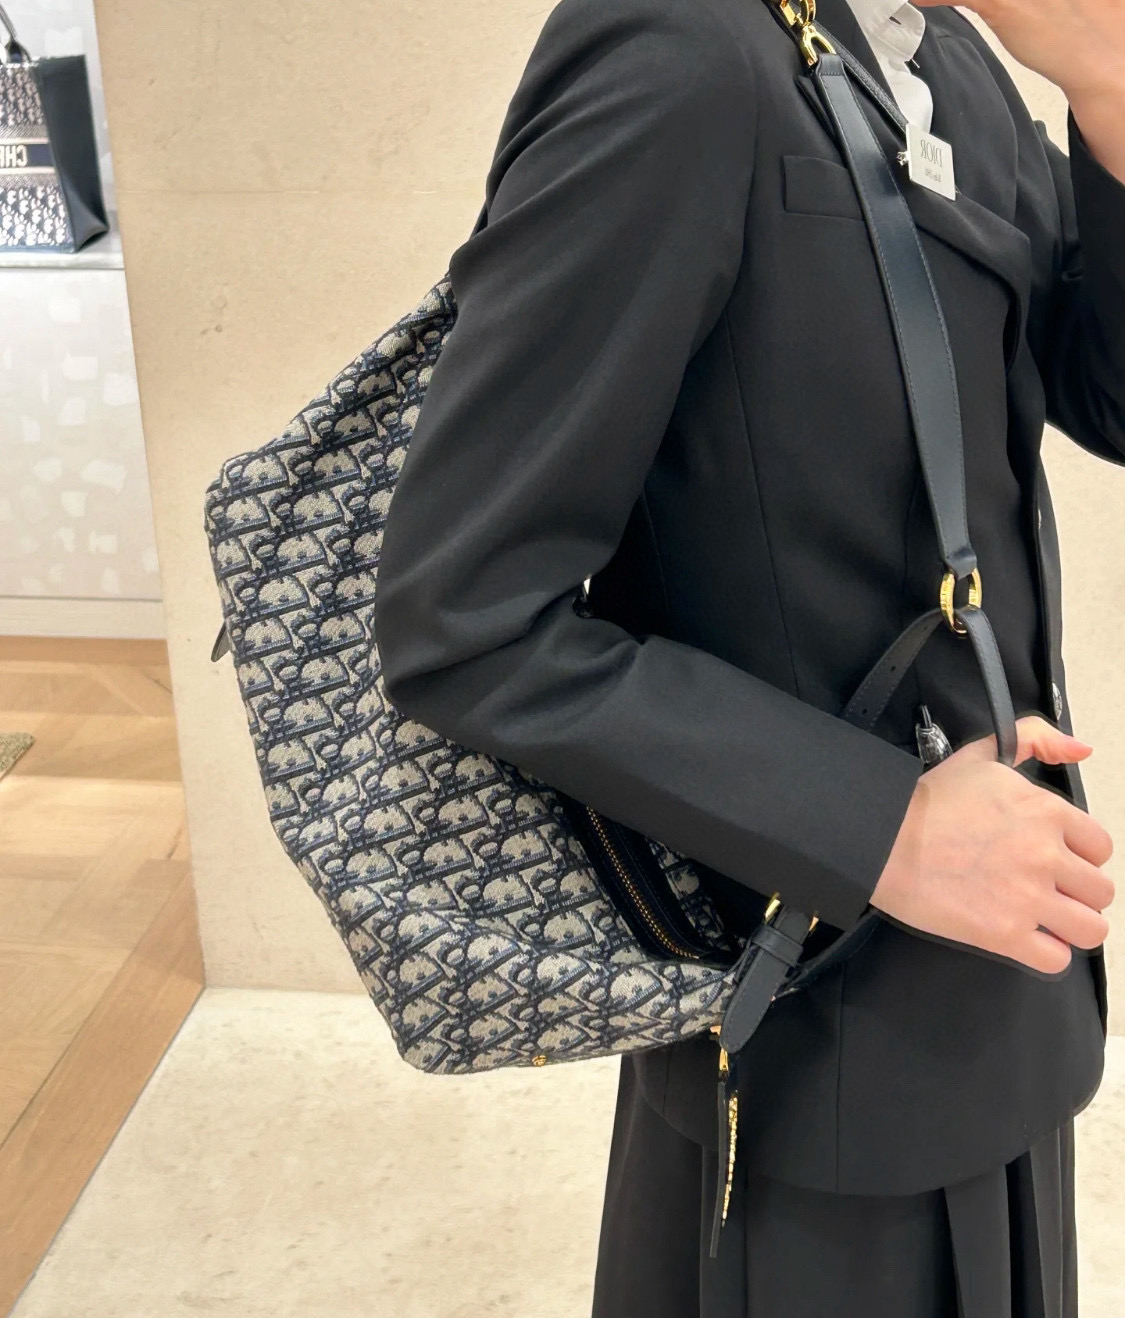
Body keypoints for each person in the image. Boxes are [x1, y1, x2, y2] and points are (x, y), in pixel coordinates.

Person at [372, 0, 1125, 1310]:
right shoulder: (678, 52)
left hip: (995, 973)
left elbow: (1107, 394)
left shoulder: (949, 54)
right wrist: (884, 828)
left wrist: (1112, 88)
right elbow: (466, 615)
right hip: (807, 1020)